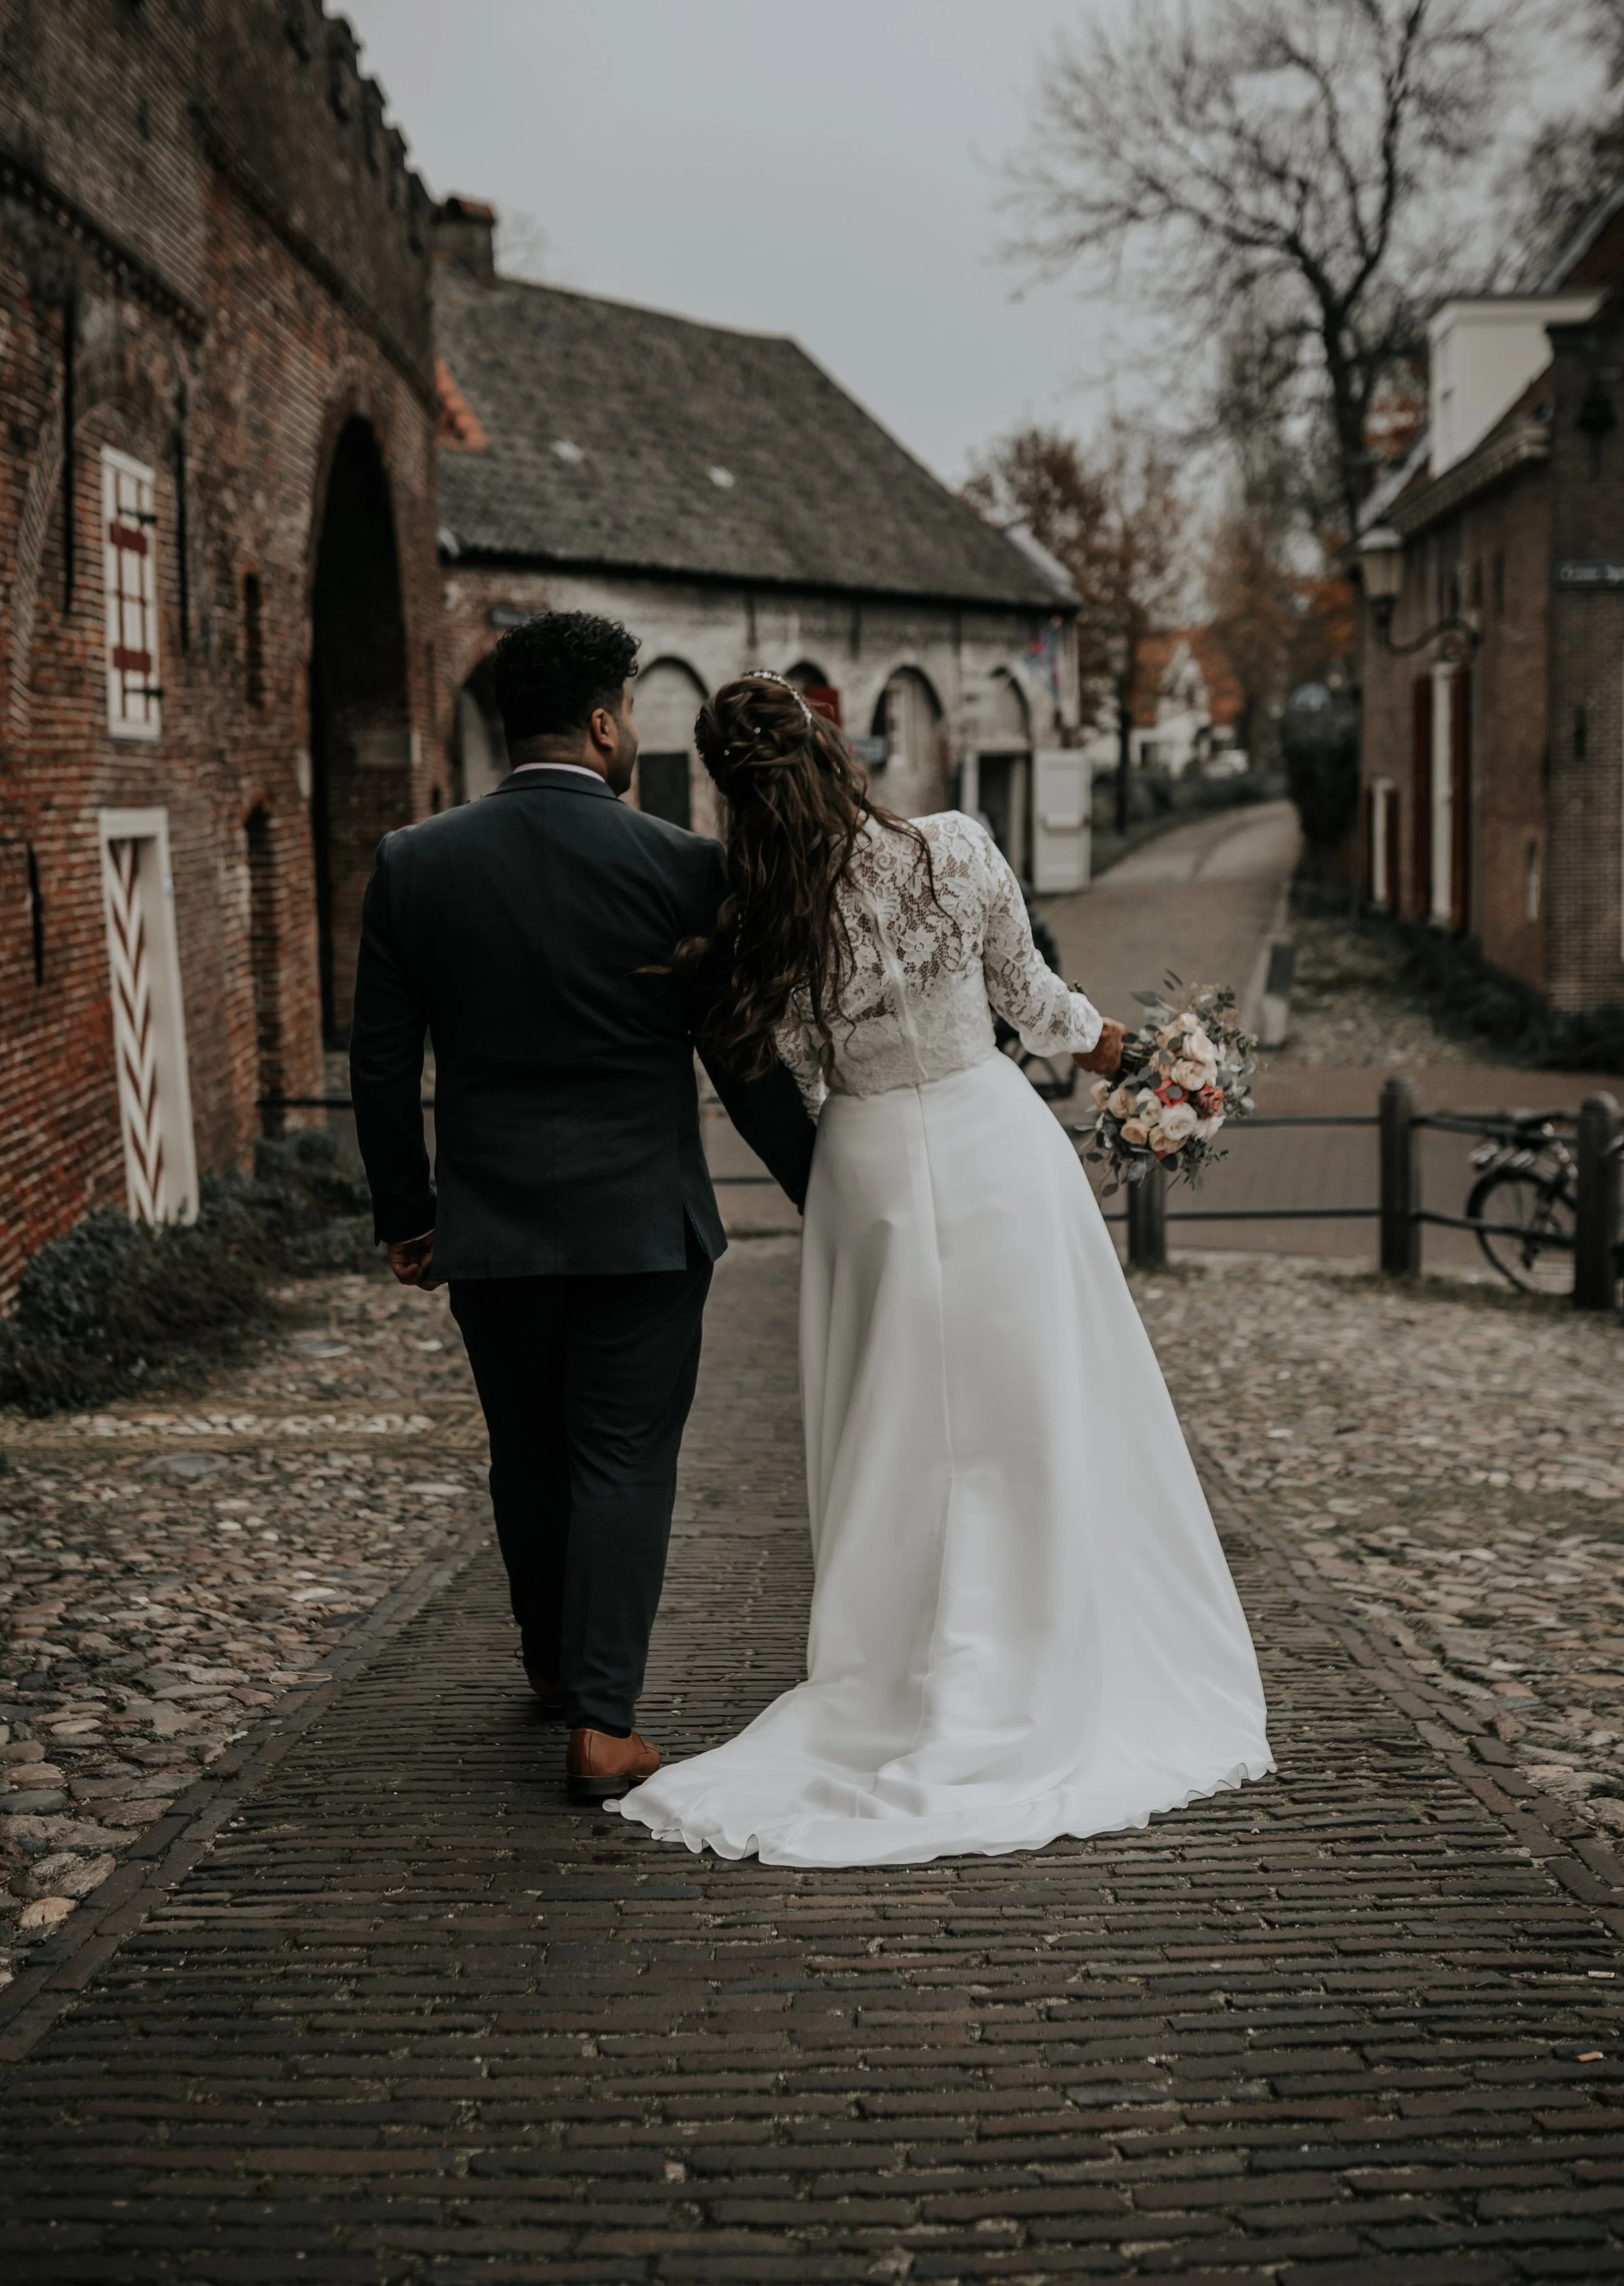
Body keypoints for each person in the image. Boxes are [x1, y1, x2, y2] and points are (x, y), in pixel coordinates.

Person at [611, 674, 1273, 1867]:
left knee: (899, 1430)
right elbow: (1032, 1002)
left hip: (867, 1172)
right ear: (837, 749)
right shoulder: (955, 851)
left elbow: (798, 1077)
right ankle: (1051, 1647)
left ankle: (899, 1674)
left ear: (733, 793)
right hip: (995, 1148)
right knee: (1036, 1414)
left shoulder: (759, 923)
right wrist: (1148, 1058)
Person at [349, 617, 816, 1804]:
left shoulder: (415, 863)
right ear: (606, 721)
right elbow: (744, 1062)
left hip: (493, 1232)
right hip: (644, 1233)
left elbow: (379, 1062)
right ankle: (605, 1721)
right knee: (621, 1458)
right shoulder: (678, 866)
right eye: (632, 712)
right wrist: (828, 1188)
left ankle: (555, 1668)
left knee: (530, 1454)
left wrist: (411, 1211)